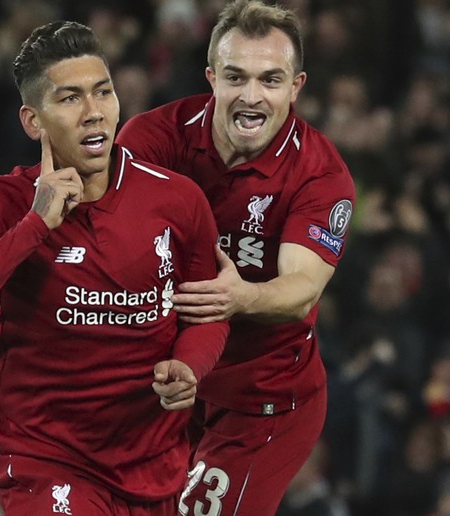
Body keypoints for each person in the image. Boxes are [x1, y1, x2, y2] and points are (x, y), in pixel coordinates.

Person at [0, 21, 228, 515]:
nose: (94, 112)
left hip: (154, 462)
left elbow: (206, 311)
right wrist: (35, 225)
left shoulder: (176, 199)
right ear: (33, 122)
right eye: (70, 98)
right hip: (45, 458)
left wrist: (190, 365)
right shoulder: (1, 202)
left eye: (103, 92)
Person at [116, 0, 355, 514]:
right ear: (211, 78)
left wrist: (237, 296)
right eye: (236, 77)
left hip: (261, 401)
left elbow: (301, 290)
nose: (252, 97)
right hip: (170, 384)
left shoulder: (320, 174)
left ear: (296, 86)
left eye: (271, 80)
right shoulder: (152, 141)